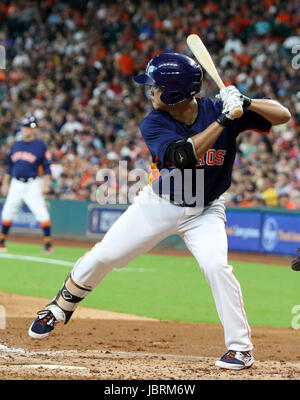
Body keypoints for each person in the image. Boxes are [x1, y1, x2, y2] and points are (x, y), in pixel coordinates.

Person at [28, 53, 291, 370]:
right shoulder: (155, 122)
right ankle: (60, 306)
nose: (149, 92)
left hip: (206, 210)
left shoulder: (216, 108)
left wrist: (246, 102)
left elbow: (283, 115)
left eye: (154, 87)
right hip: (159, 204)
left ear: (174, 94)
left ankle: (240, 348)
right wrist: (224, 120)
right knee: (106, 255)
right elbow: (183, 156)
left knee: (216, 267)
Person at [0, 116, 53, 253]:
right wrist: (5, 183)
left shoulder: (40, 145)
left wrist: (46, 184)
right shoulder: (16, 144)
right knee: (7, 212)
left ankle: (48, 245)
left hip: (33, 184)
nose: (25, 129)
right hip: (16, 183)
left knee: (41, 213)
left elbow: (47, 167)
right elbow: (10, 166)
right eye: (24, 127)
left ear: (34, 129)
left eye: (28, 127)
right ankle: (1, 242)